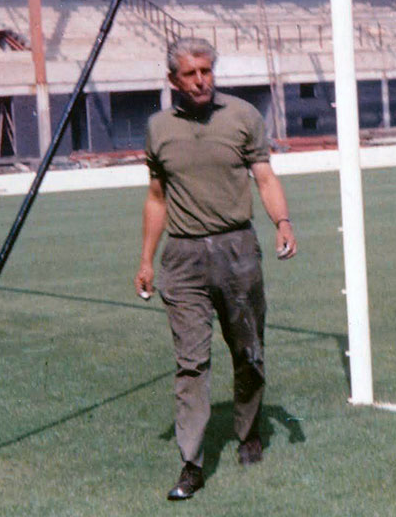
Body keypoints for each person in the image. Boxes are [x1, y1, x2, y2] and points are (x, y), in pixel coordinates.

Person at [134, 37, 297, 501]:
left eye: (207, 70)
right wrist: (146, 260)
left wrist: (282, 222)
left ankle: (247, 431)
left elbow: (264, 177)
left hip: (237, 251)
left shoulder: (243, 116)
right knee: (190, 363)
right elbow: (155, 197)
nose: (202, 80)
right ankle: (191, 464)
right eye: (191, 73)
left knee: (248, 351)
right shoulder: (158, 127)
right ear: (173, 80)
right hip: (182, 260)